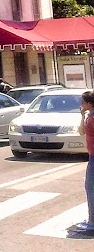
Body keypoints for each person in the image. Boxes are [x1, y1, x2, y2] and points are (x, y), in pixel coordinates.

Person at [76, 90, 94, 232]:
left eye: (83, 102)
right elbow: (81, 131)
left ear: (89, 103)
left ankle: (92, 223)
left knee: (91, 188)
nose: (81, 104)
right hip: (92, 156)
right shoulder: (89, 116)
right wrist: (82, 115)